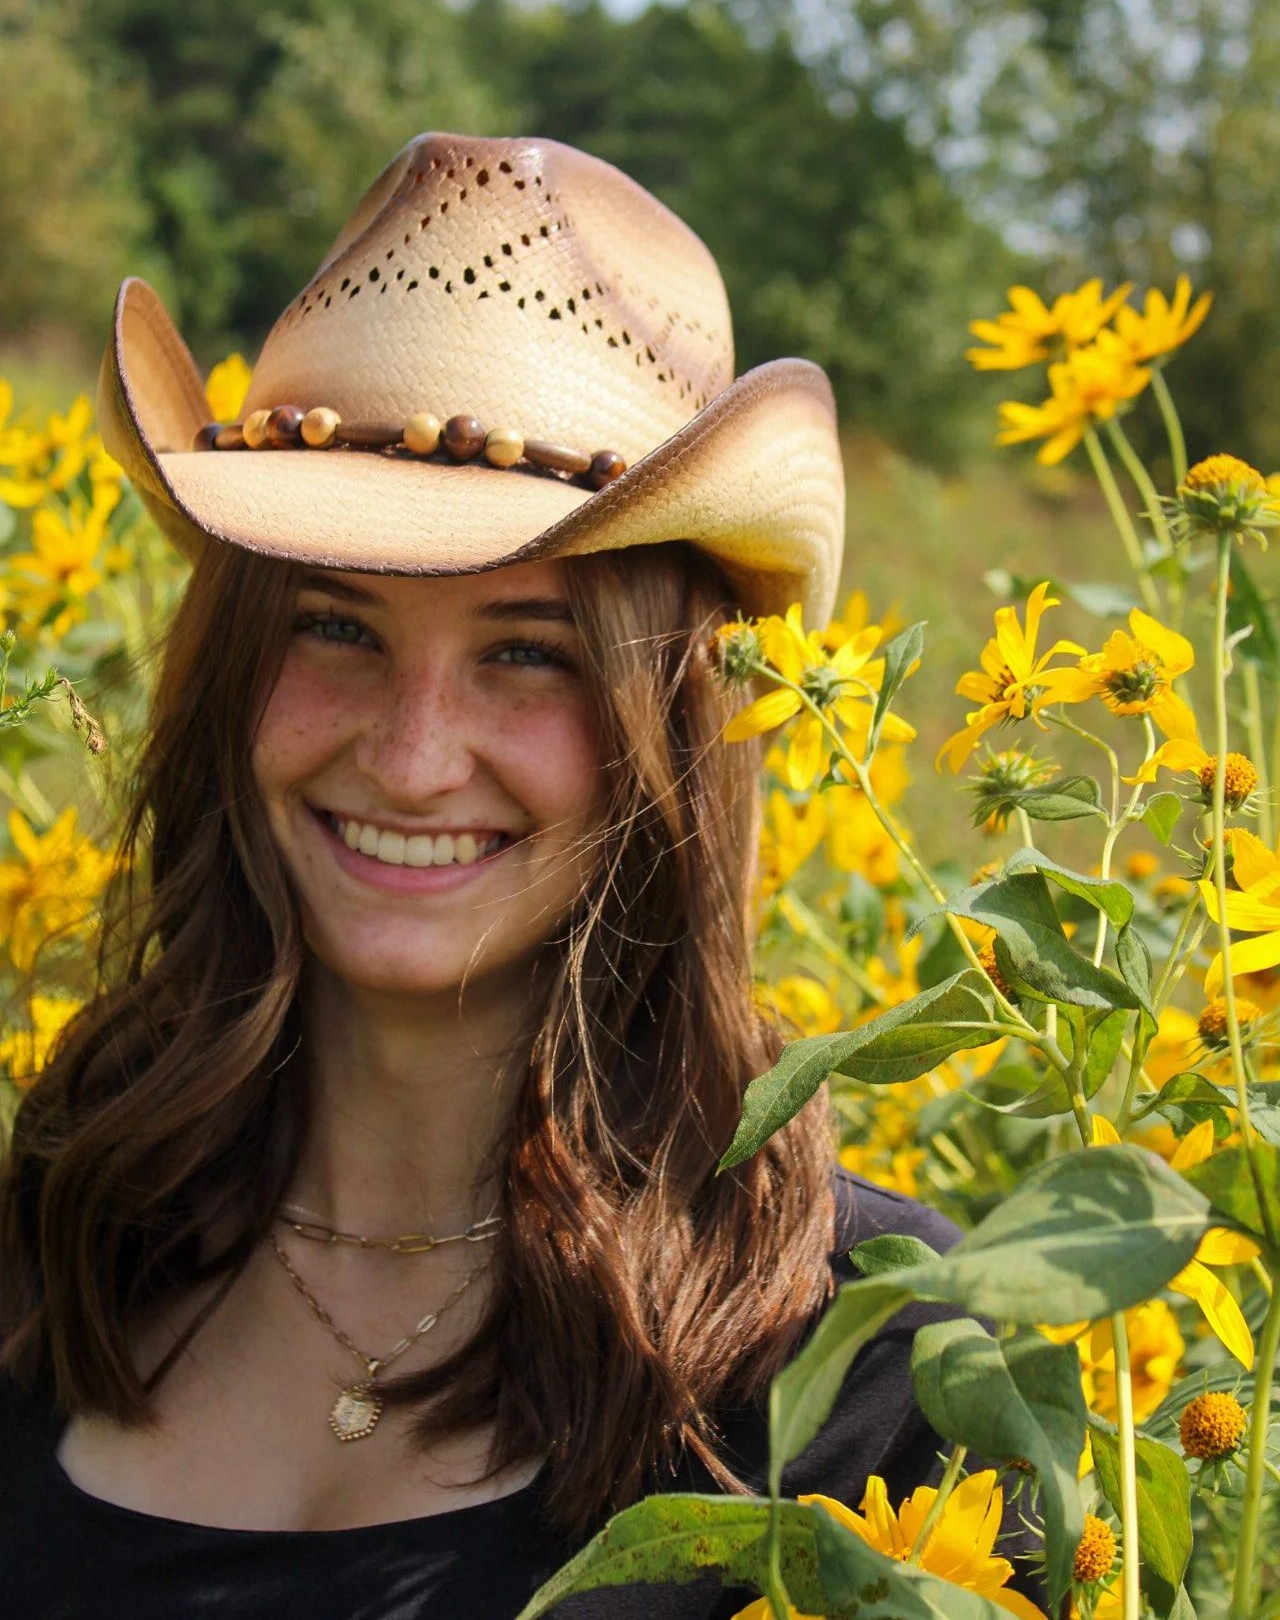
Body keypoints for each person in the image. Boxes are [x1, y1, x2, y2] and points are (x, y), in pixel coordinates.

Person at [0, 134, 970, 1619]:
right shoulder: (52, 1243)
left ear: (669, 735)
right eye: (336, 626)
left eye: (529, 653)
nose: (411, 756)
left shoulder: (881, 1356)